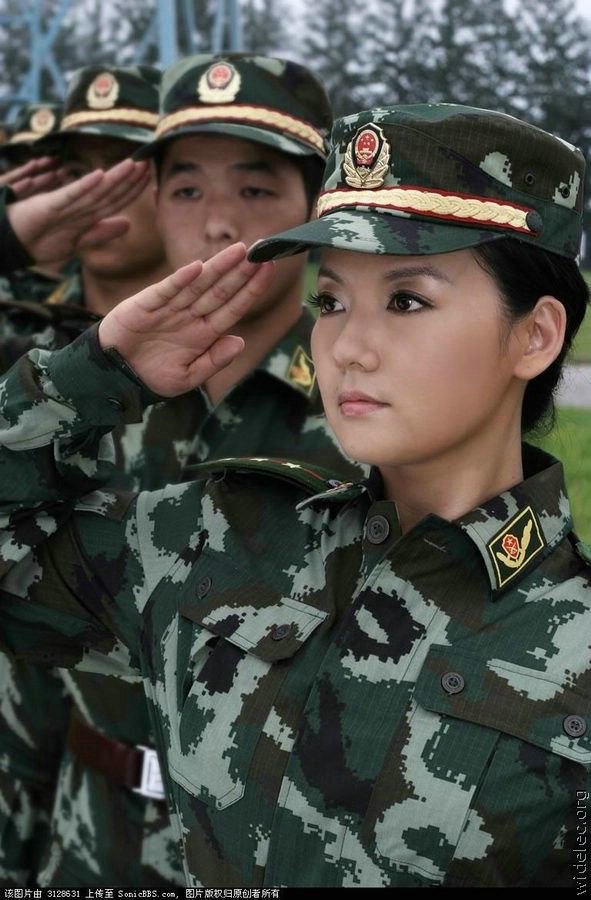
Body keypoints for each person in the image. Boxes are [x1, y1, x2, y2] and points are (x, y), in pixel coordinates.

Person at [0, 102, 589, 888]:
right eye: (331, 300)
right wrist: (91, 375)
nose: (348, 347)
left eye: (406, 300)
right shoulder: (216, 539)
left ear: (535, 335)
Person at [0, 55, 362, 887]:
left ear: (315, 210)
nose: (218, 223)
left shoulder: (366, 410)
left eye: (256, 189)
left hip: (272, 854)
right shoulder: (86, 395)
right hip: (89, 833)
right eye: (187, 188)